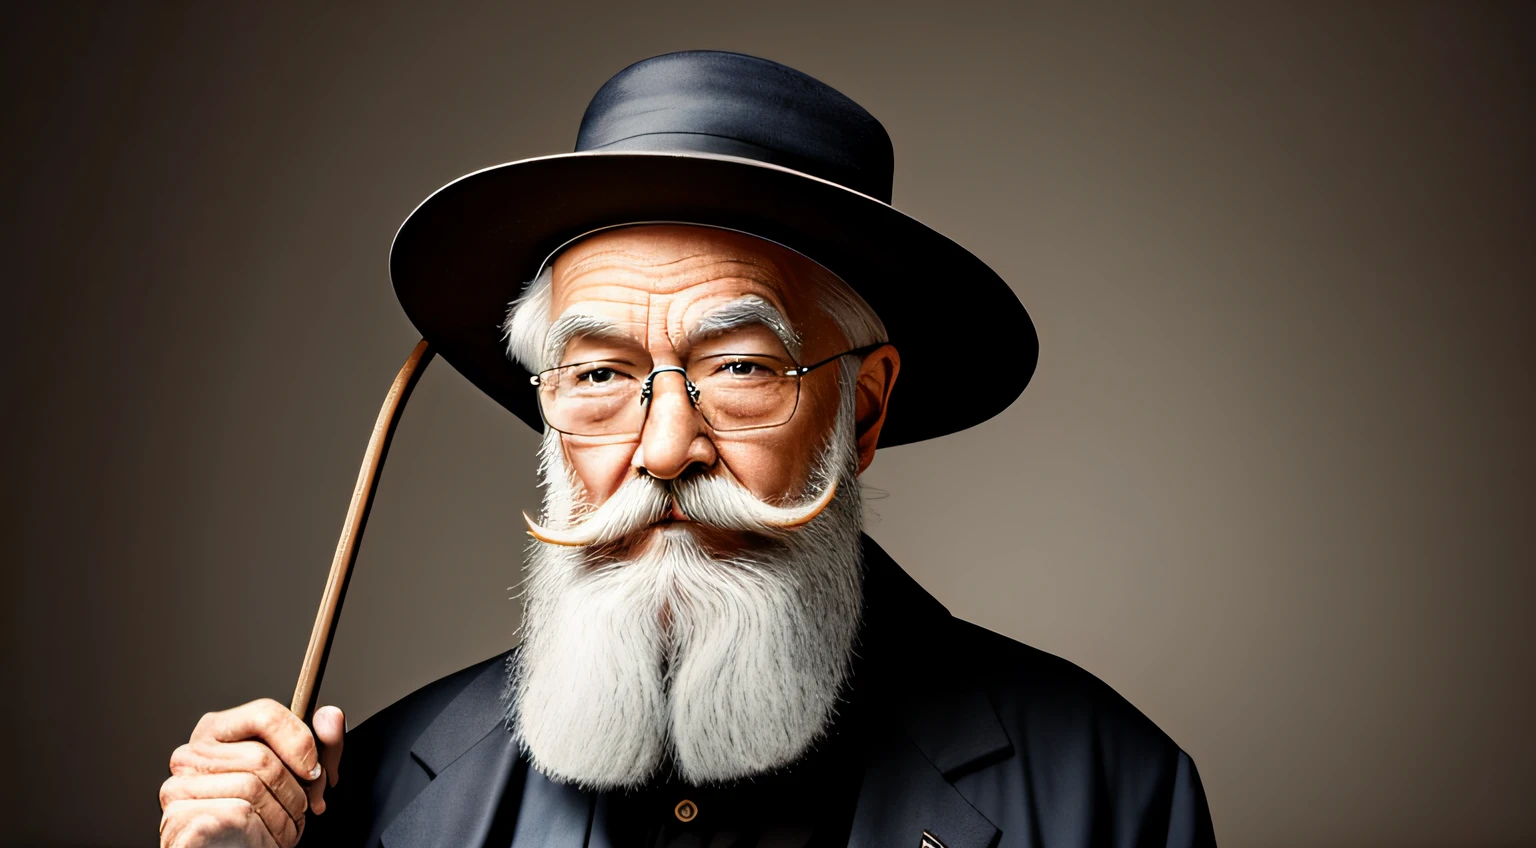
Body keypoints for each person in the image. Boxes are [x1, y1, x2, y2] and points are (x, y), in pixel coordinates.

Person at [157, 50, 1216, 848]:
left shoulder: (1109, 792)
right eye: (601, 374)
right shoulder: (374, 806)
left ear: (866, 408)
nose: (665, 449)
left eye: (742, 367)